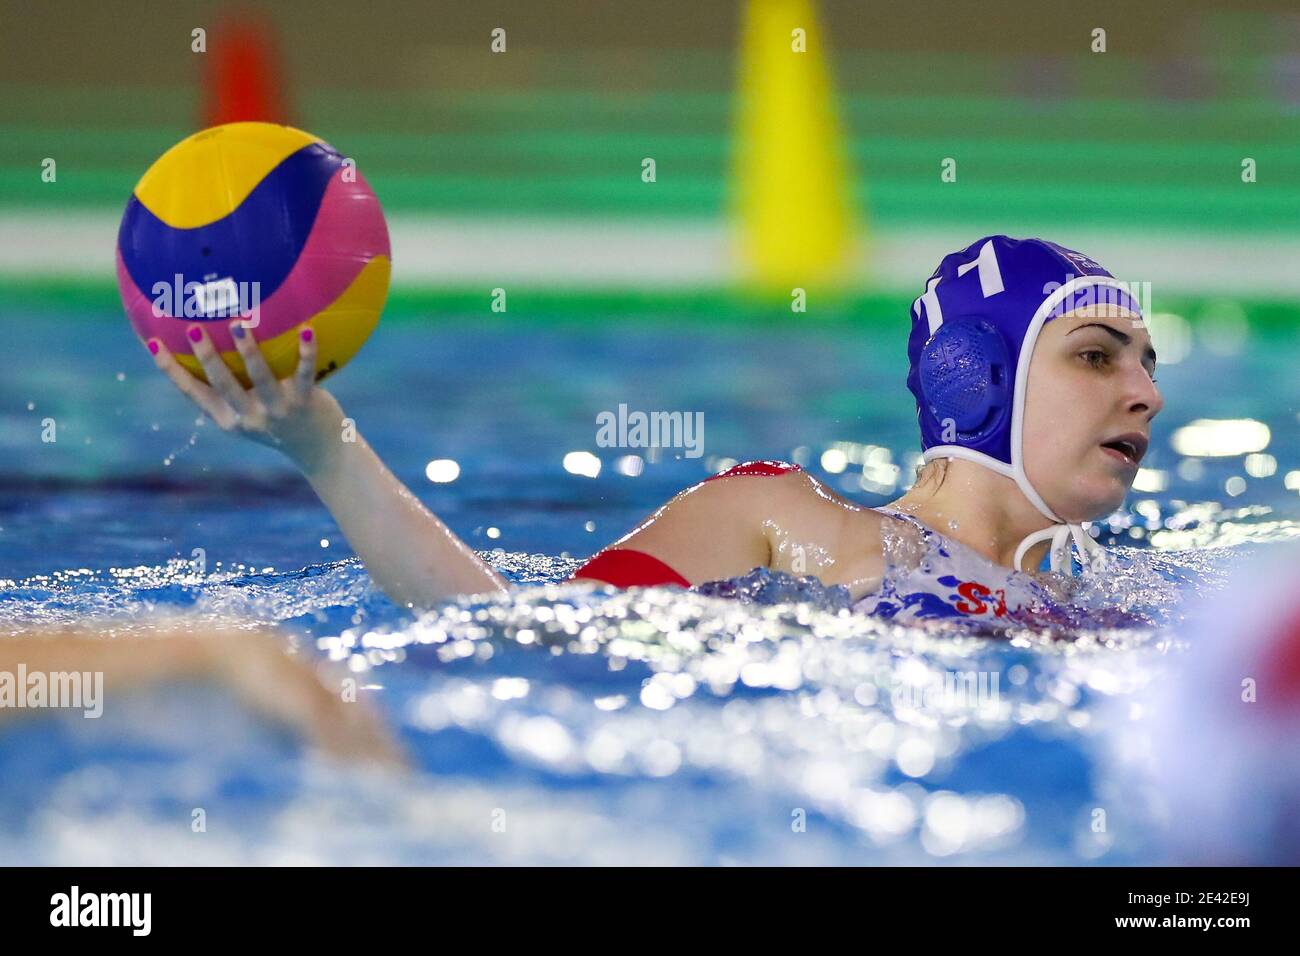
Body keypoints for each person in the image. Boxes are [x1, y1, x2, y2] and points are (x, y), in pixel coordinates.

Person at [146, 235, 1161, 625]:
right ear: (972, 373)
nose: (1144, 392)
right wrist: (330, 447)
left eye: (1147, 362)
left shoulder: (1112, 604)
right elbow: (510, 635)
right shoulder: (790, 519)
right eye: (1095, 352)